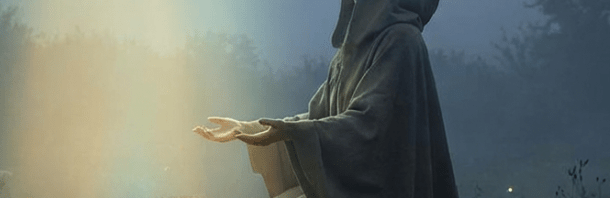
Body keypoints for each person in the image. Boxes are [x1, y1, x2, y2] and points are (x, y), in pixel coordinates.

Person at [192, 0, 458, 197]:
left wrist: (294, 133)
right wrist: (249, 127)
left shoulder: (402, 41)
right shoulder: (349, 53)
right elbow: (320, 117)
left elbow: (371, 128)